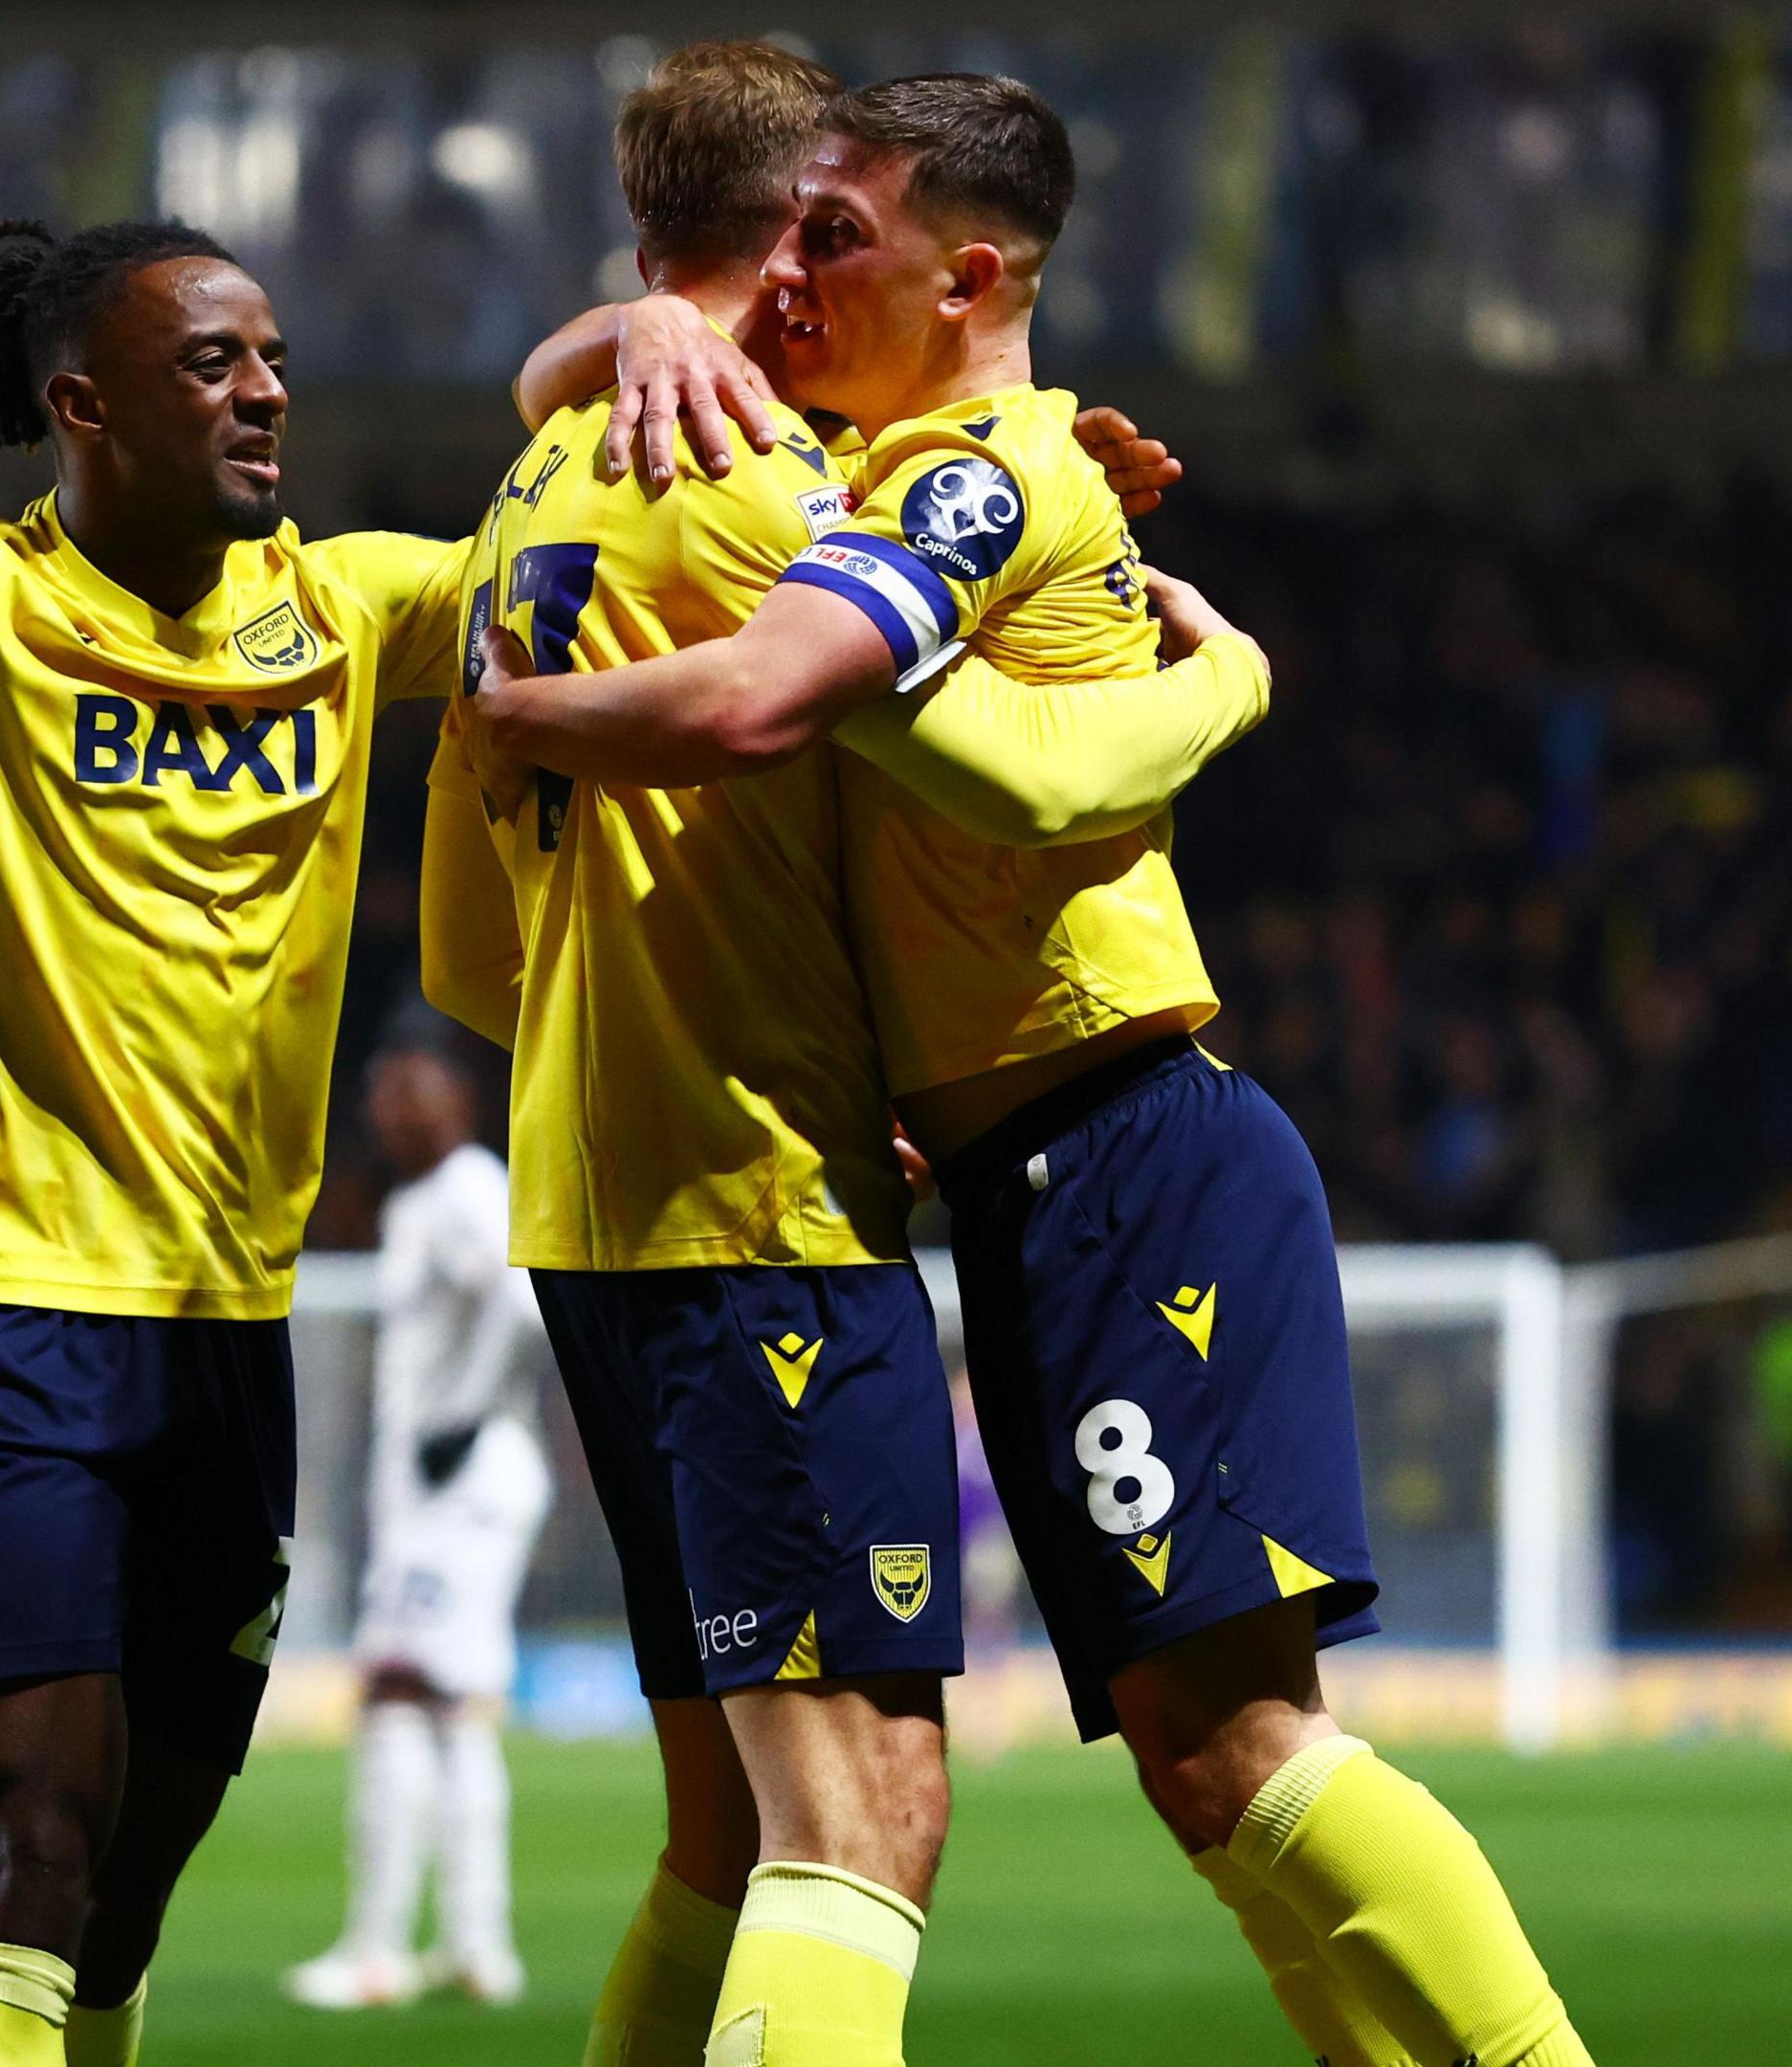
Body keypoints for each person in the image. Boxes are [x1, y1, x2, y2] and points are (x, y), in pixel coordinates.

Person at [476, 70, 1594, 2067]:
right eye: (780, 236)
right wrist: (629, 322)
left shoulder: (969, 481)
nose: (793, 278)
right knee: (1188, 1770)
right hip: (1009, 1176)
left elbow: (977, 754)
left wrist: (1229, 679)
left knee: (1233, 1754)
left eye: (840, 238)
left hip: (1126, 1145)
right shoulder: (850, 461)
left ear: (967, 270)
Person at [430, 44, 1281, 2067]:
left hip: (586, 1189)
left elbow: (471, 962)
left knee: (722, 1834)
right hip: (760, 1200)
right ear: (792, 244)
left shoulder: (535, 477)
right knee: (863, 1820)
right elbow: (1031, 770)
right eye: (820, 229)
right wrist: (1205, 651)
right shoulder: (784, 487)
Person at [0, 213, 470, 2067]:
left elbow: (586, 566)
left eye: (271, 356)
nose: (266, 389)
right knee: (21, 1850)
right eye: (212, 363)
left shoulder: (346, 608)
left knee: (124, 1877)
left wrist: (639, 361)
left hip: (226, 1330)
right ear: (83, 404)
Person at [283, 1016, 548, 2011]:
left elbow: (522, 1304)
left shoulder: (468, 1191)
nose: (391, 1111)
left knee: (398, 1694)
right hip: (458, 1487)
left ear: (460, 1098)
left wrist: (460, 1420)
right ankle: (479, 1948)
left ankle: (376, 1951)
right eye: (381, 1094)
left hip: (460, 1486)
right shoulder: (423, 1201)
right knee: (449, 1708)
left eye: (412, 1090)